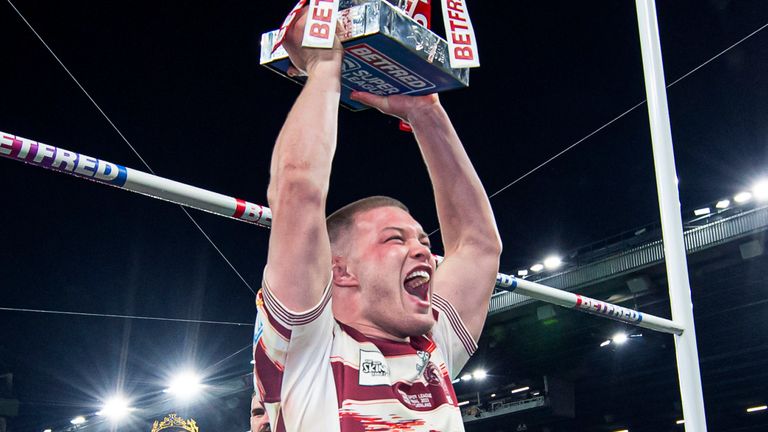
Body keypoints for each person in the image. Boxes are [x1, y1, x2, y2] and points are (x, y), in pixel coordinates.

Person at [253, 6, 501, 431]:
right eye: (395, 239)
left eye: (423, 240)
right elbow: (298, 191)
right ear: (340, 270)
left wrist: (426, 114)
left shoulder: (431, 346)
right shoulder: (307, 349)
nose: (423, 250)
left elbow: (478, 245)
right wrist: (324, 69)